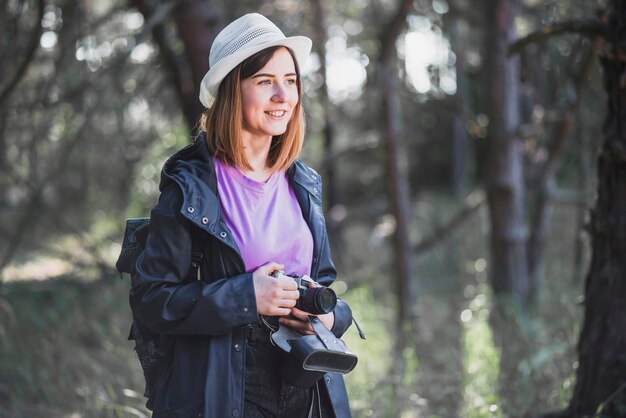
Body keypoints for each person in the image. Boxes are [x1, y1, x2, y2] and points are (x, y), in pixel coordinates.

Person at [130, 13, 354, 418]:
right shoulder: (191, 187)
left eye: (291, 80)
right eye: (265, 81)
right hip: (225, 387)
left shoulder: (303, 182)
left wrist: (330, 314)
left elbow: (322, 282)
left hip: (306, 382)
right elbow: (152, 299)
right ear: (233, 90)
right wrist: (245, 297)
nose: (283, 96)